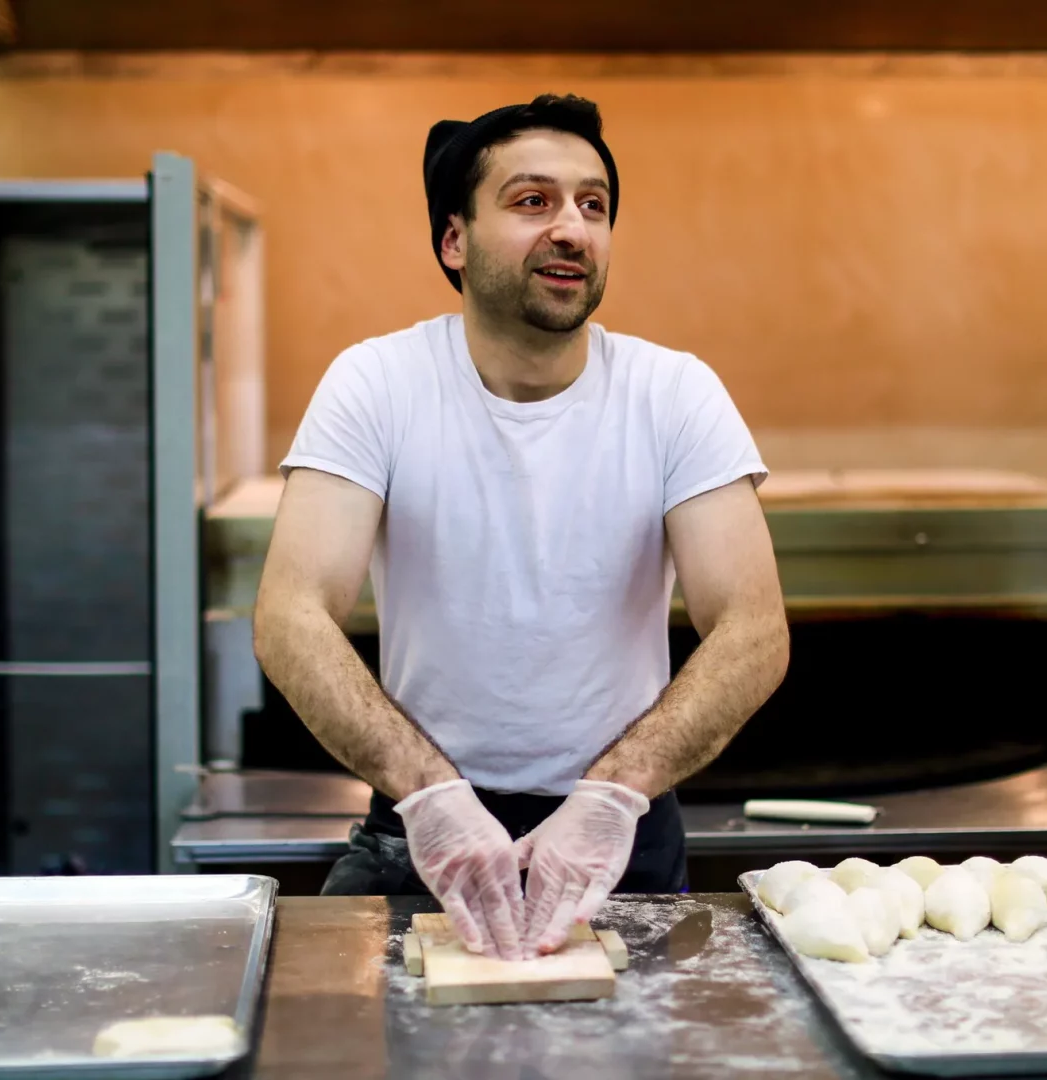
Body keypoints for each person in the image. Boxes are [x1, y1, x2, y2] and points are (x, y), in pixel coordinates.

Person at [253, 93, 788, 962]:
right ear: (453, 241)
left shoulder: (674, 392)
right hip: (423, 822)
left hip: (620, 832)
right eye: (533, 201)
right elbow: (291, 614)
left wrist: (614, 795)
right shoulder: (376, 382)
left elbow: (754, 629)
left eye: (593, 205)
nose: (572, 229)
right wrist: (428, 794)